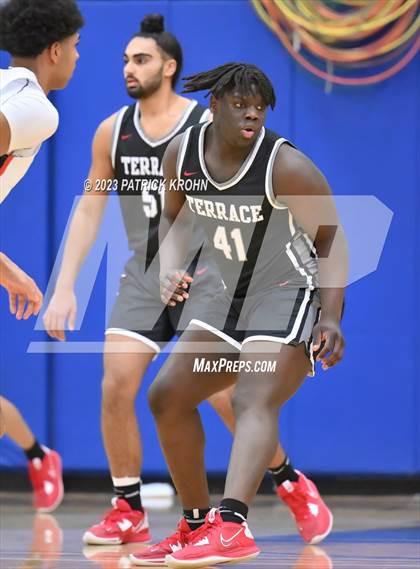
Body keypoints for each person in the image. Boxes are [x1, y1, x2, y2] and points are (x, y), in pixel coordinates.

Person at [43, 18, 332, 548]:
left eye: (142, 59)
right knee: (125, 385)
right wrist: (66, 285)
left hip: (223, 274)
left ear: (170, 67)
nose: (129, 68)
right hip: (151, 269)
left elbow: (330, 235)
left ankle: (283, 480)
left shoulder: (214, 123)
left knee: (232, 397)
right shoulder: (112, 130)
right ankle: (133, 508)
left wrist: (328, 313)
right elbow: (92, 204)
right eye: (125, 60)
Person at [130, 63, 346, 567]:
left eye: (260, 106)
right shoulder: (181, 154)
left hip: (288, 290)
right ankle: (197, 524)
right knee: (167, 396)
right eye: (239, 104)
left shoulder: (285, 166)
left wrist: (331, 317)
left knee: (252, 394)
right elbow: (171, 216)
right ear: (214, 106)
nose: (252, 113)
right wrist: (169, 266)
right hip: (226, 295)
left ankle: (232, 525)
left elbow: (333, 239)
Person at [0, 0, 84, 511]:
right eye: (76, 48)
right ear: (55, 51)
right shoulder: (37, 109)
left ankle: (35, 454)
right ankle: (36, 453)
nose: (77, 57)